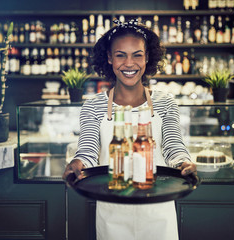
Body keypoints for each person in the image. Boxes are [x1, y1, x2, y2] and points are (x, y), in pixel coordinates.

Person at [63, 18, 197, 240]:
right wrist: (77, 164)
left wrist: (184, 163)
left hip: (158, 209)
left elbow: (174, 147)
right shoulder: (93, 106)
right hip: (113, 210)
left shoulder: (165, 103)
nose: (129, 63)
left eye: (137, 54)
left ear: (147, 58)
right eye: (120, 55)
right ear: (109, 58)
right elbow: (87, 151)